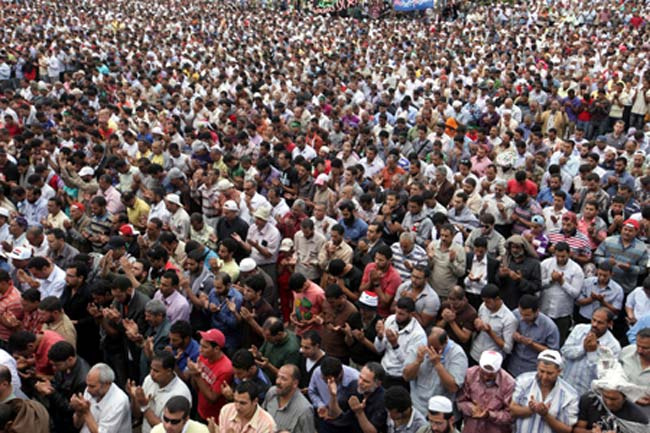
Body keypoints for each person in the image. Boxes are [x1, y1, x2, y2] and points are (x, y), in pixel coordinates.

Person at [403, 327, 467, 416]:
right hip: (417, 408)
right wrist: (417, 362)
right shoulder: (419, 346)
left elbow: (453, 387)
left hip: (441, 412)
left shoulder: (457, 354)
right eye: (429, 346)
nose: (430, 351)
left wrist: (438, 365)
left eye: (436, 348)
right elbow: (406, 376)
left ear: (445, 342)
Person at [510, 350, 578, 433]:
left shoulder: (570, 395)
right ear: (537, 367)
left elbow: (567, 430)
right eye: (541, 371)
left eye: (549, 373)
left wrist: (546, 415)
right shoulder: (523, 381)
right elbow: (512, 410)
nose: (544, 377)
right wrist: (530, 410)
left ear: (559, 371)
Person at [561, 308, 622, 396]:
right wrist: (583, 348)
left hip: (588, 394)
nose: (594, 324)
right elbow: (565, 351)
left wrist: (592, 353)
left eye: (600, 322)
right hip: (567, 384)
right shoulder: (579, 329)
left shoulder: (613, 346)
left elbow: (605, 375)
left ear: (609, 324)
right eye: (593, 320)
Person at [128, 351, 192, 433]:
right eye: (151, 369)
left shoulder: (181, 393)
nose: (151, 373)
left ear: (169, 371)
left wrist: (144, 405)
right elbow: (137, 415)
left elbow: (166, 429)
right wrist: (134, 397)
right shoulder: (149, 380)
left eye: (156, 371)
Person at [35, 341, 89, 433]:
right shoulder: (64, 366)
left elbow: (72, 408)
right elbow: (58, 383)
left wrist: (51, 393)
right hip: (59, 416)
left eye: (57, 365)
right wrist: (49, 385)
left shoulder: (83, 380)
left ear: (70, 359)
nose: (54, 368)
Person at [374, 297, 427, 391]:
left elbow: (409, 364)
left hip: (399, 378)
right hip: (383, 370)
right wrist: (379, 336)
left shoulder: (418, 335)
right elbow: (378, 349)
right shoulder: (390, 320)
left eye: (401, 314)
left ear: (411, 314)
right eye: (396, 312)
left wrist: (395, 345)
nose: (397, 316)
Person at [457, 350, 515, 433]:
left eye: (490, 375)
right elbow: (460, 400)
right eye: (483, 373)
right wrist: (472, 409)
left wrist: (489, 415)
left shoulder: (509, 383)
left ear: (498, 371)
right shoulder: (470, 374)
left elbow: (510, 415)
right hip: (472, 428)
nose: (486, 377)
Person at [574, 370, 649, 433]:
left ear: (624, 397)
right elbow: (576, 429)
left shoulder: (637, 418)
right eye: (605, 397)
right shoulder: (589, 400)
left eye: (614, 399)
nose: (608, 402)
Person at [540, 242, 584, 344]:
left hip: (563, 313)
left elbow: (575, 293)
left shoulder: (576, 270)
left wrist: (562, 282)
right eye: (557, 256)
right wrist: (551, 279)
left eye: (563, 256)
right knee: (542, 339)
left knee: (559, 341)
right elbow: (539, 284)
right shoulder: (545, 264)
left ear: (569, 254)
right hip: (545, 309)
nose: (560, 259)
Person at [185, 329, 233, 423]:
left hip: (214, 418)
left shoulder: (226, 369)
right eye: (200, 345)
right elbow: (196, 387)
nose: (200, 349)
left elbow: (212, 398)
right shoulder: (203, 357)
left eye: (205, 347)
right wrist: (194, 374)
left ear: (216, 349)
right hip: (200, 410)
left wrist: (197, 375)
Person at [70, 363, 132, 433]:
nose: (88, 390)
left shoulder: (119, 401)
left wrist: (86, 412)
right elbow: (77, 425)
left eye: (92, 386)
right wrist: (79, 412)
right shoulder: (89, 391)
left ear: (106, 384)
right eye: (87, 385)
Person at [508, 295, 560, 378]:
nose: (523, 318)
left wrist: (532, 344)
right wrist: (514, 334)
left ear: (537, 312)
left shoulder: (549, 327)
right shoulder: (515, 314)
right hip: (513, 366)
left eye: (527, 315)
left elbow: (553, 353)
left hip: (532, 370)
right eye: (521, 314)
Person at [469, 284, 517, 364]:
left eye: (488, 302)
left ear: (497, 299)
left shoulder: (509, 319)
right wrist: (477, 323)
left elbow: (508, 348)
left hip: (491, 360)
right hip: (475, 353)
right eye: (484, 301)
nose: (486, 304)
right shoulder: (483, 307)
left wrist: (490, 332)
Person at [262, 364, 315, 433]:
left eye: (283, 379)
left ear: (295, 383)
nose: (278, 381)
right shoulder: (271, 393)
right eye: (278, 377)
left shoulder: (304, 410)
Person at [618, 327, 650, 415]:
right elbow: (613, 376)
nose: (639, 351)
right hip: (620, 408)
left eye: (645, 348)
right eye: (638, 345)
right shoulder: (626, 352)